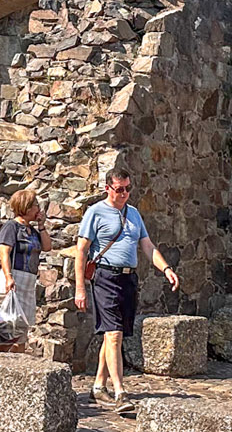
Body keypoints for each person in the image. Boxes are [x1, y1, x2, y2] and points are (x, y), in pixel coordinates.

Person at [75, 167, 178, 410]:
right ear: (107, 188)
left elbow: (148, 247)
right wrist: (80, 287)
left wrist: (166, 269)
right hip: (105, 277)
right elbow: (81, 250)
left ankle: (98, 386)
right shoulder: (95, 213)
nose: (124, 194)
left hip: (128, 279)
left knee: (115, 333)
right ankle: (120, 392)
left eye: (128, 189)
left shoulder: (133, 214)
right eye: (119, 189)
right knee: (114, 335)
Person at [0, 188, 49, 350]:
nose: (39, 208)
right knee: (8, 330)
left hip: (28, 282)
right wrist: (8, 276)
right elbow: (4, 252)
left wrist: (41, 225)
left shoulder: (32, 231)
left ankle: (17, 364)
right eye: (36, 205)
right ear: (27, 207)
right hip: (14, 279)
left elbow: (46, 246)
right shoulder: (12, 227)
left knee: (21, 330)